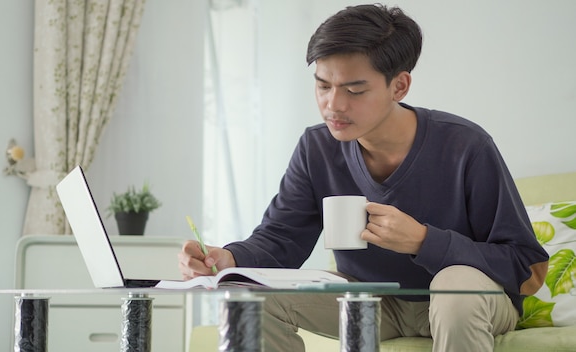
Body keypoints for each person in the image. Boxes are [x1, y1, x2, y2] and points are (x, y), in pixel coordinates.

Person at [178, 4, 549, 352]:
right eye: (323, 85)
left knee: (454, 286)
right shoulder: (317, 148)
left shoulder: (465, 145)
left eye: (354, 90)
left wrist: (424, 241)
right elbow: (280, 240)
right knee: (253, 295)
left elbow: (528, 269)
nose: (333, 104)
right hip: (371, 302)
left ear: (399, 86)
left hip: (467, 303)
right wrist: (229, 258)